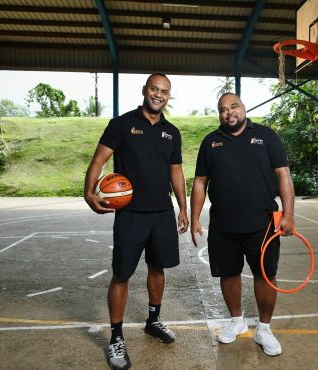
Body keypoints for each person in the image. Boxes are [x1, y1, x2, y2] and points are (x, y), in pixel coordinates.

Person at [84, 73, 188, 370]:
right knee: (122, 275)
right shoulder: (122, 124)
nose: (158, 95)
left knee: (158, 269)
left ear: (169, 96)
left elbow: (176, 172)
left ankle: (153, 320)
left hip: (162, 213)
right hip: (130, 214)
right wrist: (88, 193)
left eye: (164, 91)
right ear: (145, 90)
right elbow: (99, 159)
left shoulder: (172, 132)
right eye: (154, 89)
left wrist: (183, 208)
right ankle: (116, 337)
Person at [190, 92, 295, 356]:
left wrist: (289, 214)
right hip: (223, 225)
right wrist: (194, 218)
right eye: (223, 109)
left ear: (244, 108)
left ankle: (264, 328)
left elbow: (283, 175)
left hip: (262, 224)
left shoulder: (267, 136)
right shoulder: (210, 142)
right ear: (219, 114)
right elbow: (200, 182)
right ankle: (236, 322)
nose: (229, 112)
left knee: (265, 275)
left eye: (233, 106)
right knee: (228, 274)